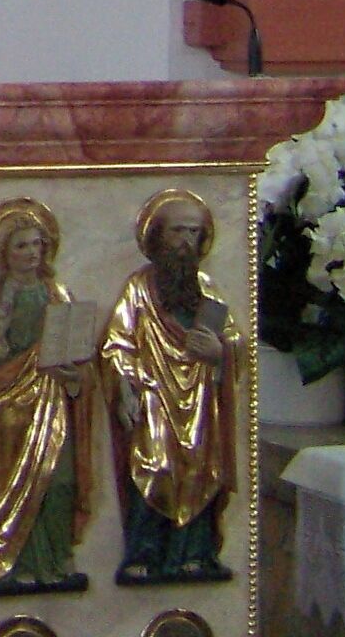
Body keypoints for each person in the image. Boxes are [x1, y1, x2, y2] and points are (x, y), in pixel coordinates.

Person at [0, 197, 93, 595]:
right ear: (3, 253)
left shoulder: (56, 293)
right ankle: (20, 563)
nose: (32, 252)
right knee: (17, 487)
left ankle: (56, 562)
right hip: (10, 409)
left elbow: (80, 355)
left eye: (37, 244)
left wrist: (75, 375)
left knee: (58, 483)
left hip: (54, 402)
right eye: (22, 245)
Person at [98, 192, 238, 586]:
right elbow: (116, 343)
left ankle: (193, 554)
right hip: (154, 399)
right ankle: (145, 552)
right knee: (154, 469)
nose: (185, 242)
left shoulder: (206, 289)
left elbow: (232, 340)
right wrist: (125, 385)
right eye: (177, 231)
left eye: (194, 233)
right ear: (157, 236)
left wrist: (220, 351)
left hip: (199, 402)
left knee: (199, 472)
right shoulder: (139, 289)